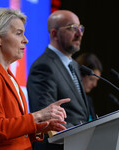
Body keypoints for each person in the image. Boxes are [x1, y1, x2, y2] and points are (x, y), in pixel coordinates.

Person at [0, 8, 70, 150]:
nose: (26, 40)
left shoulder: (8, 75)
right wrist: (39, 115)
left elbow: (15, 130)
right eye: (18, 33)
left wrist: (42, 126)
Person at [27, 10, 90, 150]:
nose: (79, 33)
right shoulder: (43, 66)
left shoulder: (73, 64)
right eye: (72, 28)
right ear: (54, 33)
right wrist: (86, 132)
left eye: (80, 28)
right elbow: (46, 118)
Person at [76, 52, 103, 121]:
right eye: (91, 79)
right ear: (79, 74)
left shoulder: (88, 100)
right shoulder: (70, 99)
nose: (95, 84)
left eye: (97, 80)